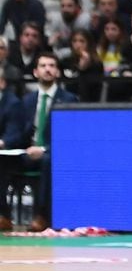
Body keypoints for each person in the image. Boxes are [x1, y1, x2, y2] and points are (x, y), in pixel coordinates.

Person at [0, 52, 78, 232]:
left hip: (52, 152)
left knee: (47, 160)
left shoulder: (68, 99)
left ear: (58, 72)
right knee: (2, 160)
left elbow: (68, 138)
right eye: (43, 66)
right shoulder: (27, 101)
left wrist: (44, 149)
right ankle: (4, 215)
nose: (47, 70)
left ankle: (41, 216)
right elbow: (18, 133)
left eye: (51, 66)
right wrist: (7, 144)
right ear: (35, 72)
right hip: (27, 152)